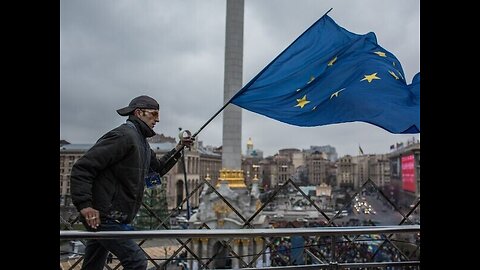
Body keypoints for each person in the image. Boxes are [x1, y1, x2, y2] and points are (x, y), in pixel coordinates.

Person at [70, 95, 194, 270]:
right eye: (154, 114)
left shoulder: (141, 142)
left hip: (111, 216)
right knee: (137, 261)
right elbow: (82, 168)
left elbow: (157, 169)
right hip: (105, 216)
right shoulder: (123, 136)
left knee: (93, 264)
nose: (158, 119)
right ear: (139, 112)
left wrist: (179, 148)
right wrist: (85, 205)